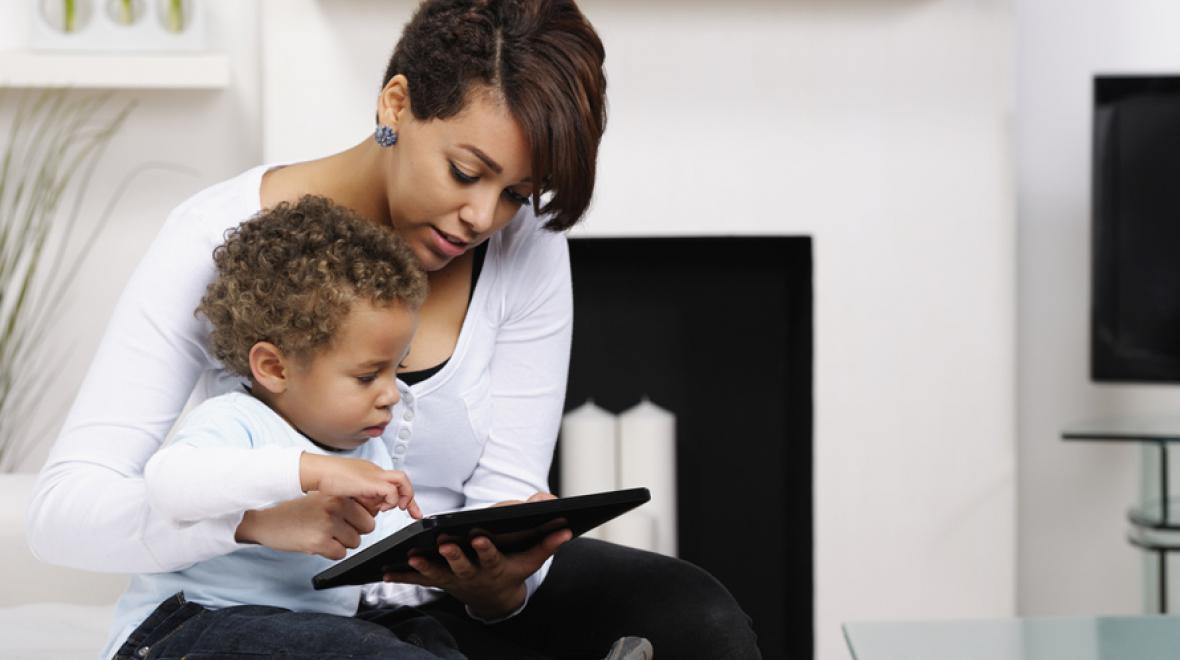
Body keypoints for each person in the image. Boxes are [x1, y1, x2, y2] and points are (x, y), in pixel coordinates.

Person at [27, 1, 760, 658]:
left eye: (517, 193)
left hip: (436, 609)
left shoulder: (524, 244)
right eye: (465, 171)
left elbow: (506, 493)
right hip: (261, 607)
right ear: (397, 102)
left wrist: (501, 584)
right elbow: (64, 514)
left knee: (698, 620)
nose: (485, 218)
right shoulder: (215, 238)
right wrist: (255, 519)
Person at [103, 195, 469, 659]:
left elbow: (375, 558)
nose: (391, 394)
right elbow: (168, 483)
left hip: (306, 628)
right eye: (366, 376)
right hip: (185, 627)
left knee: (425, 635)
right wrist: (309, 472)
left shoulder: (363, 446)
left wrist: (467, 544)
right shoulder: (236, 420)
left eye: (397, 369)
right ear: (275, 368)